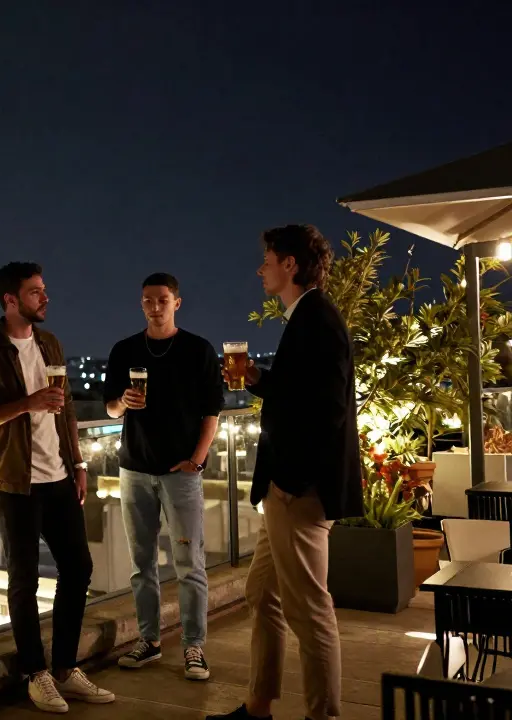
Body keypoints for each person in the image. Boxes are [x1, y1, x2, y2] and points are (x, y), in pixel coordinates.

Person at [209, 225, 362, 720]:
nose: (261, 269)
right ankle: (259, 706)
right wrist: (256, 379)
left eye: (268, 260)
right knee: (262, 592)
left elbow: (328, 410)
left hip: (299, 489)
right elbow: (301, 394)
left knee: (310, 610)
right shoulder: (305, 318)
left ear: (291, 264)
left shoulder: (316, 320)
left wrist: (292, 479)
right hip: (289, 487)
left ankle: (324, 715)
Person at [0, 262, 114, 714]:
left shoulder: (50, 343)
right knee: (23, 580)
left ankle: (64, 667)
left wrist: (79, 462)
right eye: (35, 292)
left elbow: (64, 412)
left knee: (78, 569)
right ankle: (34, 673)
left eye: (44, 291)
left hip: (59, 476)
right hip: (12, 481)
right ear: (10, 300)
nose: (45, 298)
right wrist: (27, 404)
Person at [103, 273, 222, 681]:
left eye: (163, 299)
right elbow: (111, 411)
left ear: (177, 302)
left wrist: (196, 460)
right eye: (148, 300)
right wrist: (123, 401)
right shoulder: (124, 350)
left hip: (181, 474)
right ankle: (150, 641)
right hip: (134, 469)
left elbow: (212, 412)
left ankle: (194, 647)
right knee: (142, 565)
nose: (155, 306)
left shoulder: (197, 350)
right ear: (141, 305)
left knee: (190, 563)